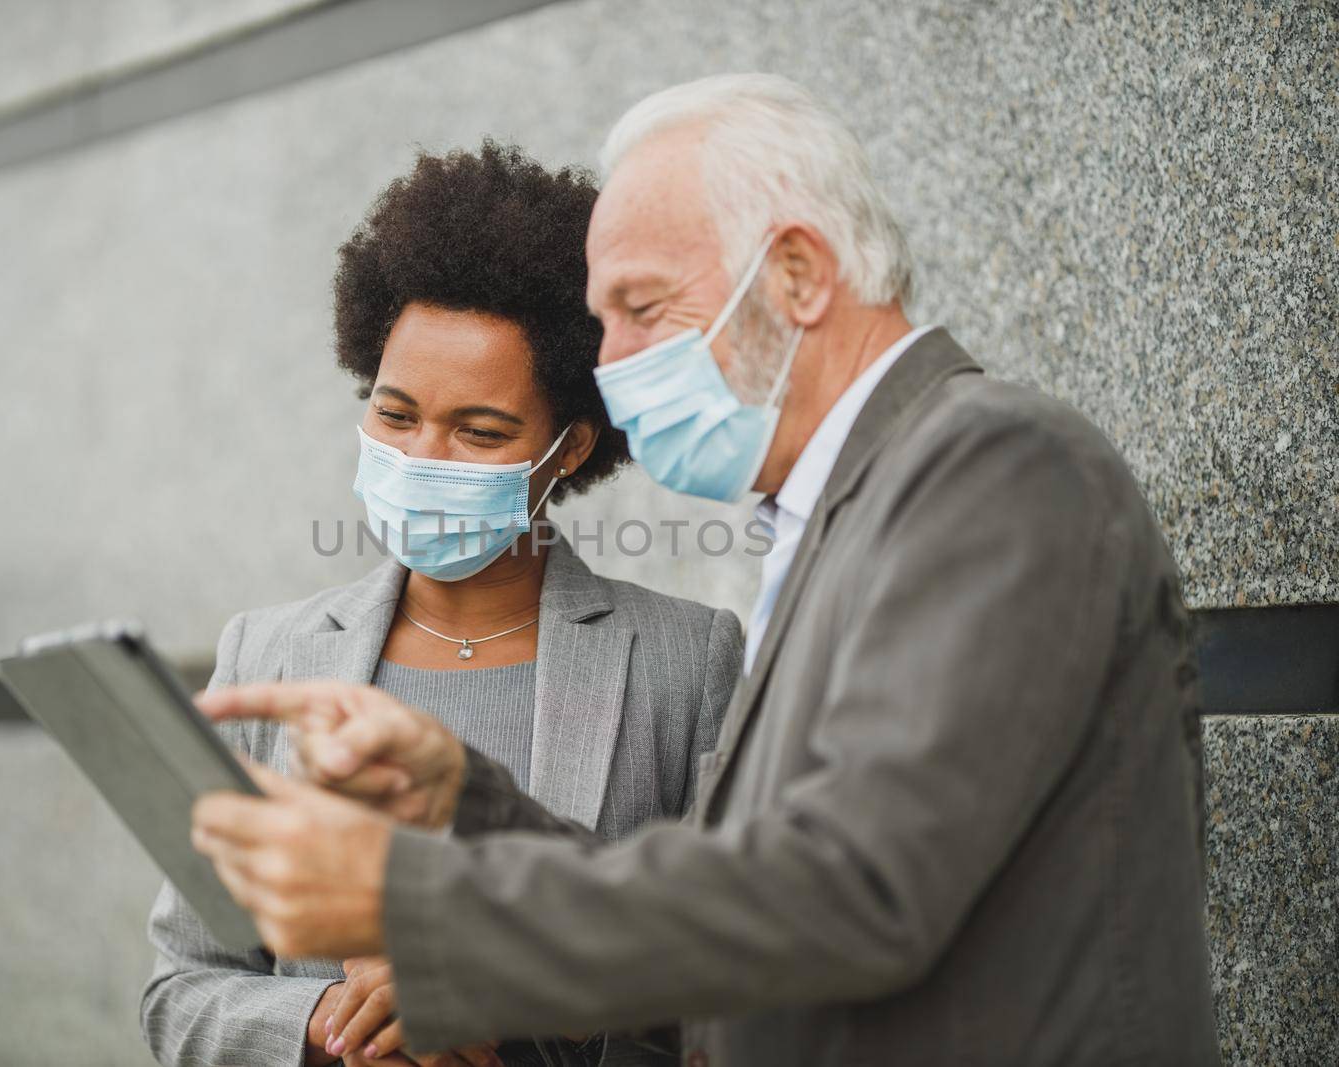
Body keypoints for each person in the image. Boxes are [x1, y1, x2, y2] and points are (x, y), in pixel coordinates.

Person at [188, 75, 1221, 1066]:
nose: (614, 359)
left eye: (642, 307)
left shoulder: (992, 467)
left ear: (799, 276)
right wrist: (469, 802)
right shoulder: (850, 508)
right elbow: (759, 892)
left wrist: (422, 911)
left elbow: (852, 887)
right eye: (605, 317)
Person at [141, 141, 744, 1067]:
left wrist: (514, 999)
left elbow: (733, 999)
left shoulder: (685, 658)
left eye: (480, 430)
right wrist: (329, 1025)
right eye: (394, 413)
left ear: (571, 446)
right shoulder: (268, 654)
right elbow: (181, 986)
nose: (423, 456)